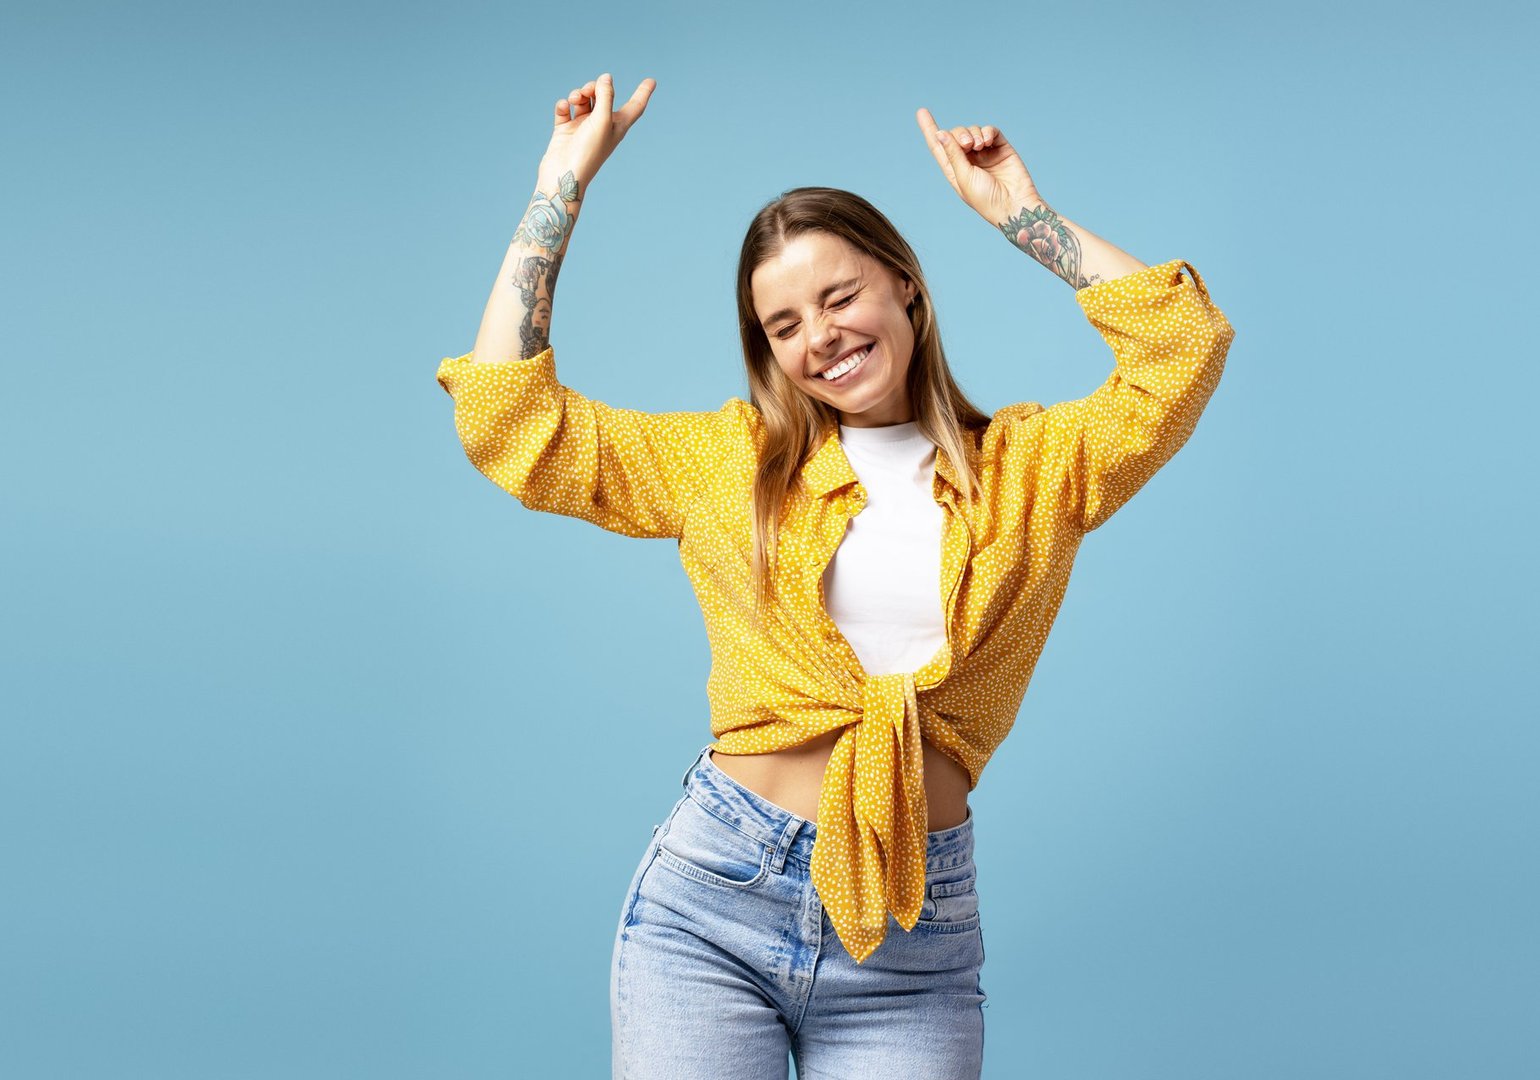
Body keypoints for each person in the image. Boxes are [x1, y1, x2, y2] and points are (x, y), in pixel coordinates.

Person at [436, 72, 1236, 1080]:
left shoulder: (1038, 468)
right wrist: (561, 184)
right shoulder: (731, 464)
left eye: (839, 295)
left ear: (904, 283)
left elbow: (1183, 348)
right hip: (713, 904)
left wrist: (1022, 216)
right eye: (783, 325)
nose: (819, 336)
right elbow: (510, 423)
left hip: (915, 937)